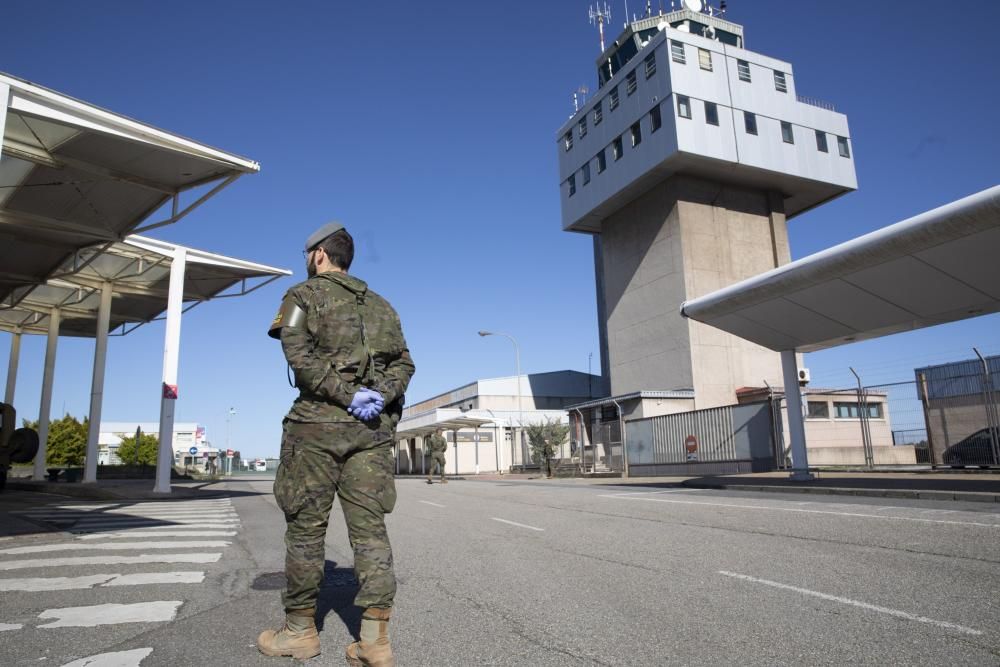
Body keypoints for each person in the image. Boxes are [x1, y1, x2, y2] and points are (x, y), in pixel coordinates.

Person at [258, 221, 415, 665]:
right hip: (370, 432)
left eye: (309, 255)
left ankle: (299, 633)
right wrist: (377, 397)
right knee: (371, 533)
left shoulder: (301, 296)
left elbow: (299, 358)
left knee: (306, 530)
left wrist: (346, 395)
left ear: (320, 255)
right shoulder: (383, 306)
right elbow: (406, 363)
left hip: (316, 432)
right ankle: (375, 643)